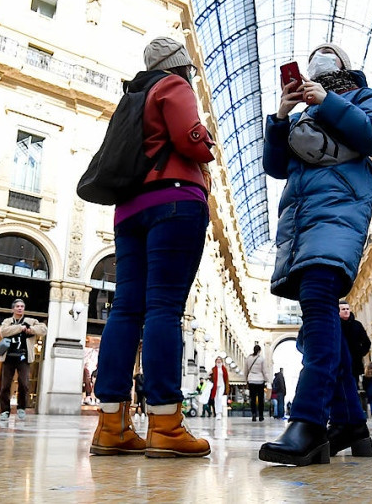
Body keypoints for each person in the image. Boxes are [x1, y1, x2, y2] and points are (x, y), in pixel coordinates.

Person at [258, 43, 372, 467]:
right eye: (313, 53)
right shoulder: (303, 116)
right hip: (302, 226)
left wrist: (328, 100)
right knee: (321, 325)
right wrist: (281, 117)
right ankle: (352, 424)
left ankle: (309, 421)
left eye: (327, 52)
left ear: (344, 64)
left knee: (317, 318)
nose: (319, 57)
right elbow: (275, 166)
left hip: (337, 218)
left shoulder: (362, 97)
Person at [90, 37, 214, 459]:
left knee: (126, 308)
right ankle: (164, 423)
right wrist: (206, 139)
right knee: (163, 308)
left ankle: (112, 424)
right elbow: (191, 140)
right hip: (174, 202)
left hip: (128, 211)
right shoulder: (174, 87)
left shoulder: (133, 97)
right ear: (181, 65)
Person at [0, 299, 47, 420]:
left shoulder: (31, 321)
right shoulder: (7, 321)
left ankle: (21, 408)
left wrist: (31, 330)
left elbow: (43, 329)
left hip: (23, 357)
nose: (20, 308)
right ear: (13, 308)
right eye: (18, 306)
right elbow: (3, 332)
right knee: (5, 385)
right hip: (8, 357)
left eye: (22, 306)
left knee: (24, 384)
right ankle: (4, 411)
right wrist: (20, 328)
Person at [339, 302, 372, 383]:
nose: (346, 311)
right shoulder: (334, 325)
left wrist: (359, 353)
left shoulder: (357, 325)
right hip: (339, 365)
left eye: (347, 309)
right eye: (343, 309)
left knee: (353, 388)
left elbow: (367, 343)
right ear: (338, 312)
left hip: (354, 365)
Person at [245, 344, 268, 422]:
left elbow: (246, 370)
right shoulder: (261, 359)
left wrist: (246, 379)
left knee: (253, 399)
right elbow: (264, 370)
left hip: (251, 380)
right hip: (260, 380)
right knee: (261, 399)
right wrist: (267, 379)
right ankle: (261, 416)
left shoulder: (248, 358)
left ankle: (254, 415)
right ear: (259, 351)